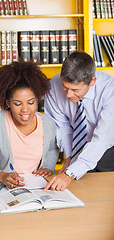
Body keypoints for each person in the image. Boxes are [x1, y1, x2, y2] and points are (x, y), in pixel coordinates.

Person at [0, 60, 58, 189]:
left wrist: (48, 167)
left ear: (37, 100)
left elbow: (52, 149)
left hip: (39, 189)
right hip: (4, 190)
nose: (25, 110)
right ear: (7, 102)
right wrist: (2, 176)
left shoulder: (48, 124)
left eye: (31, 102)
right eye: (17, 104)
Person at [44, 51, 114, 191]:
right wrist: (69, 158)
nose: (69, 95)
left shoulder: (110, 89)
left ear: (92, 81)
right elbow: (62, 126)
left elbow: (102, 139)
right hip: (78, 148)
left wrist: (70, 173)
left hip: (109, 152)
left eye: (75, 90)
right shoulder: (53, 86)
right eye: (65, 87)